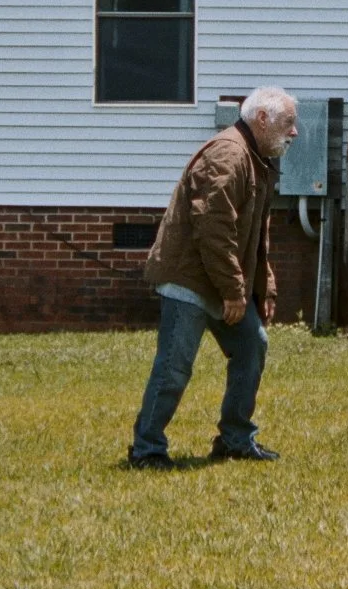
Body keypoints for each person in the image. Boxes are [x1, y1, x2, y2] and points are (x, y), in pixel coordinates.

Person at [128, 87, 299, 469]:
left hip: (222, 280)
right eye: (289, 123)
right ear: (262, 119)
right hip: (190, 278)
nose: (295, 132)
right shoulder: (229, 155)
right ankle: (146, 449)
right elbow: (214, 229)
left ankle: (235, 440)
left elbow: (255, 232)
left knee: (251, 345)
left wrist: (264, 287)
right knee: (174, 366)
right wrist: (234, 291)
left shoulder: (257, 158)